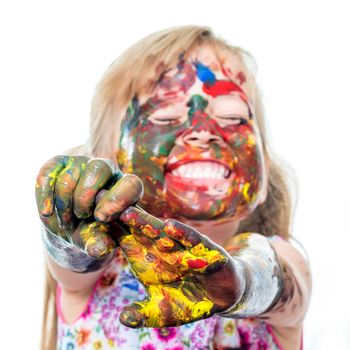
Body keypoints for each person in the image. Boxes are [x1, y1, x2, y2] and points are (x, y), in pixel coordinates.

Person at [36, 26, 311, 350]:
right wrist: (68, 227)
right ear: (110, 162)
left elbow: (280, 283)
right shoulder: (95, 273)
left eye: (231, 117)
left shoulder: (279, 257)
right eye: (166, 117)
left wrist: (241, 282)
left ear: (264, 172)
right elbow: (70, 262)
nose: (202, 132)